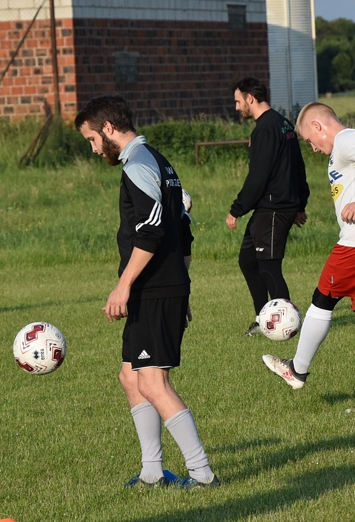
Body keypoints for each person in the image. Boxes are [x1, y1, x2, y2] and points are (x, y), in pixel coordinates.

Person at [75, 95, 219, 488]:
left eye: (91, 140)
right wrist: (183, 286)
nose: (92, 149)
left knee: (153, 382)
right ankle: (152, 472)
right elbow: (183, 230)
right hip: (160, 286)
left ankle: (203, 475)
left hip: (154, 287)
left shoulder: (138, 165)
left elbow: (153, 231)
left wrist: (124, 285)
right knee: (130, 377)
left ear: (108, 129)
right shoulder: (157, 160)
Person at [262, 102, 355, 412]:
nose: (314, 148)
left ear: (318, 127)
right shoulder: (343, 147)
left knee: (323, 298)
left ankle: (296, 370)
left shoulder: (345, 139)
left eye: (311, 141)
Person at [226, 77, 310, 337]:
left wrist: (237, 208)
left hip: (274, 208)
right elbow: (298, 168)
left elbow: (258, 176)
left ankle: (288, 324)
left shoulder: (265, 128)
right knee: (248, 261)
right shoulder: (282, 123)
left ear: (250, 98)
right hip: (273, 207)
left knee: (269, 266)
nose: (237, 107)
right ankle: (264, 318)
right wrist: (300, 202)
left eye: (238, 102)